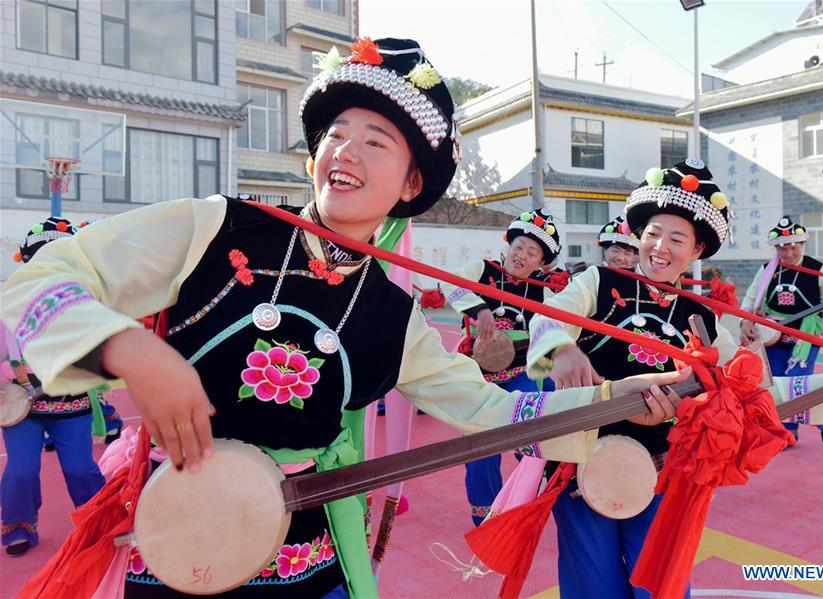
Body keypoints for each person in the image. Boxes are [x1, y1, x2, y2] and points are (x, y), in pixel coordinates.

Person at [2, 38, 686, 598]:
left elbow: (486, 406)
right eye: (336, 133)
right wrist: (129, 348)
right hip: (183, 541)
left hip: (311, 557)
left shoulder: (393, 312)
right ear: (312, 155)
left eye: (376, 141)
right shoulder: (215, 226)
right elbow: (39, 278)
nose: (347, 151)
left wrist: (606, 403)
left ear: (411, 184)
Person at [526, 160, 823, 599]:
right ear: (639, 234)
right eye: (653, 233)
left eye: (677, 239)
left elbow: (758, 395)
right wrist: (562, 349)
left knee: (661, 587)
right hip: (582, 467)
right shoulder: (597, 282)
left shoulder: (706, 320)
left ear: (696, 252)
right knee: (591, 588)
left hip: (664, 474)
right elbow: (545, 319)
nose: (660, 246)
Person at [444, 209, 560, 524]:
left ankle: (528, 500)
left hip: (523, 375)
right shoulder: (482, 269)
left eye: (532, 252)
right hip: (478, 377)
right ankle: (488, 518)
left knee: (532, 438)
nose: (522, 255)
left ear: (541, 262)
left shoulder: (545, 290)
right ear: (508, 245)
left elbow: (552, 334)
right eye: (519, 247)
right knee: (481, 446)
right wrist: (480, 310)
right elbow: (450, 287)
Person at [1, 218, 106, 557]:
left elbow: (102, 355)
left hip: (71, 406)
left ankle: (99, 523)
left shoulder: (87, 305)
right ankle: (18, 525)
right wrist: (12, 370)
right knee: (21, 470)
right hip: (23, 410)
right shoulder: (9, 304)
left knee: (80, 468)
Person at [739, 216, 823, 444]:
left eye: (793, 247)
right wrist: (746, 322)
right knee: (779, 384)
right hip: (773, 336)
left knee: (798, 383)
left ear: (801, 245)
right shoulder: (768, 269)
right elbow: (751, 297)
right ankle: (788, 433)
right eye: (783, 249)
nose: (788, 253)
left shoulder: (816, 268)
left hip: (806, 336)